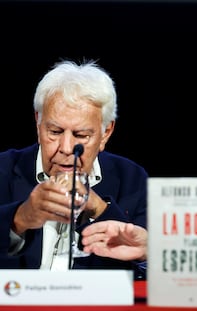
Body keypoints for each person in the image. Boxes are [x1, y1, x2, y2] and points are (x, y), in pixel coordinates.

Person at [0, 59, 148, 279]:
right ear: (38, 123)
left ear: (106, 133)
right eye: (55, 132)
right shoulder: (3, 168)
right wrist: (20, 218)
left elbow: (146, 273)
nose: (67, 148)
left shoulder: (132, 180)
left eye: (81, 135)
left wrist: (99, 208)